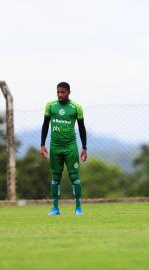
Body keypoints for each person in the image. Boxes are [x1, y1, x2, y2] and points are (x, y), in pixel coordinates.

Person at [40, 82, 87, 216]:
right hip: (55, 146)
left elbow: (82, 129)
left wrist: (84, 148)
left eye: (63, 92)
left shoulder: (76, 108)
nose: (60, 95)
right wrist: (42, 145)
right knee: (55, 178)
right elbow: (45, 125)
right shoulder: (51, 106)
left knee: (74, 177)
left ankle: (78, 208)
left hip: (70, 147)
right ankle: (55, 208)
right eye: (58, 92)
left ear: (69, 93)